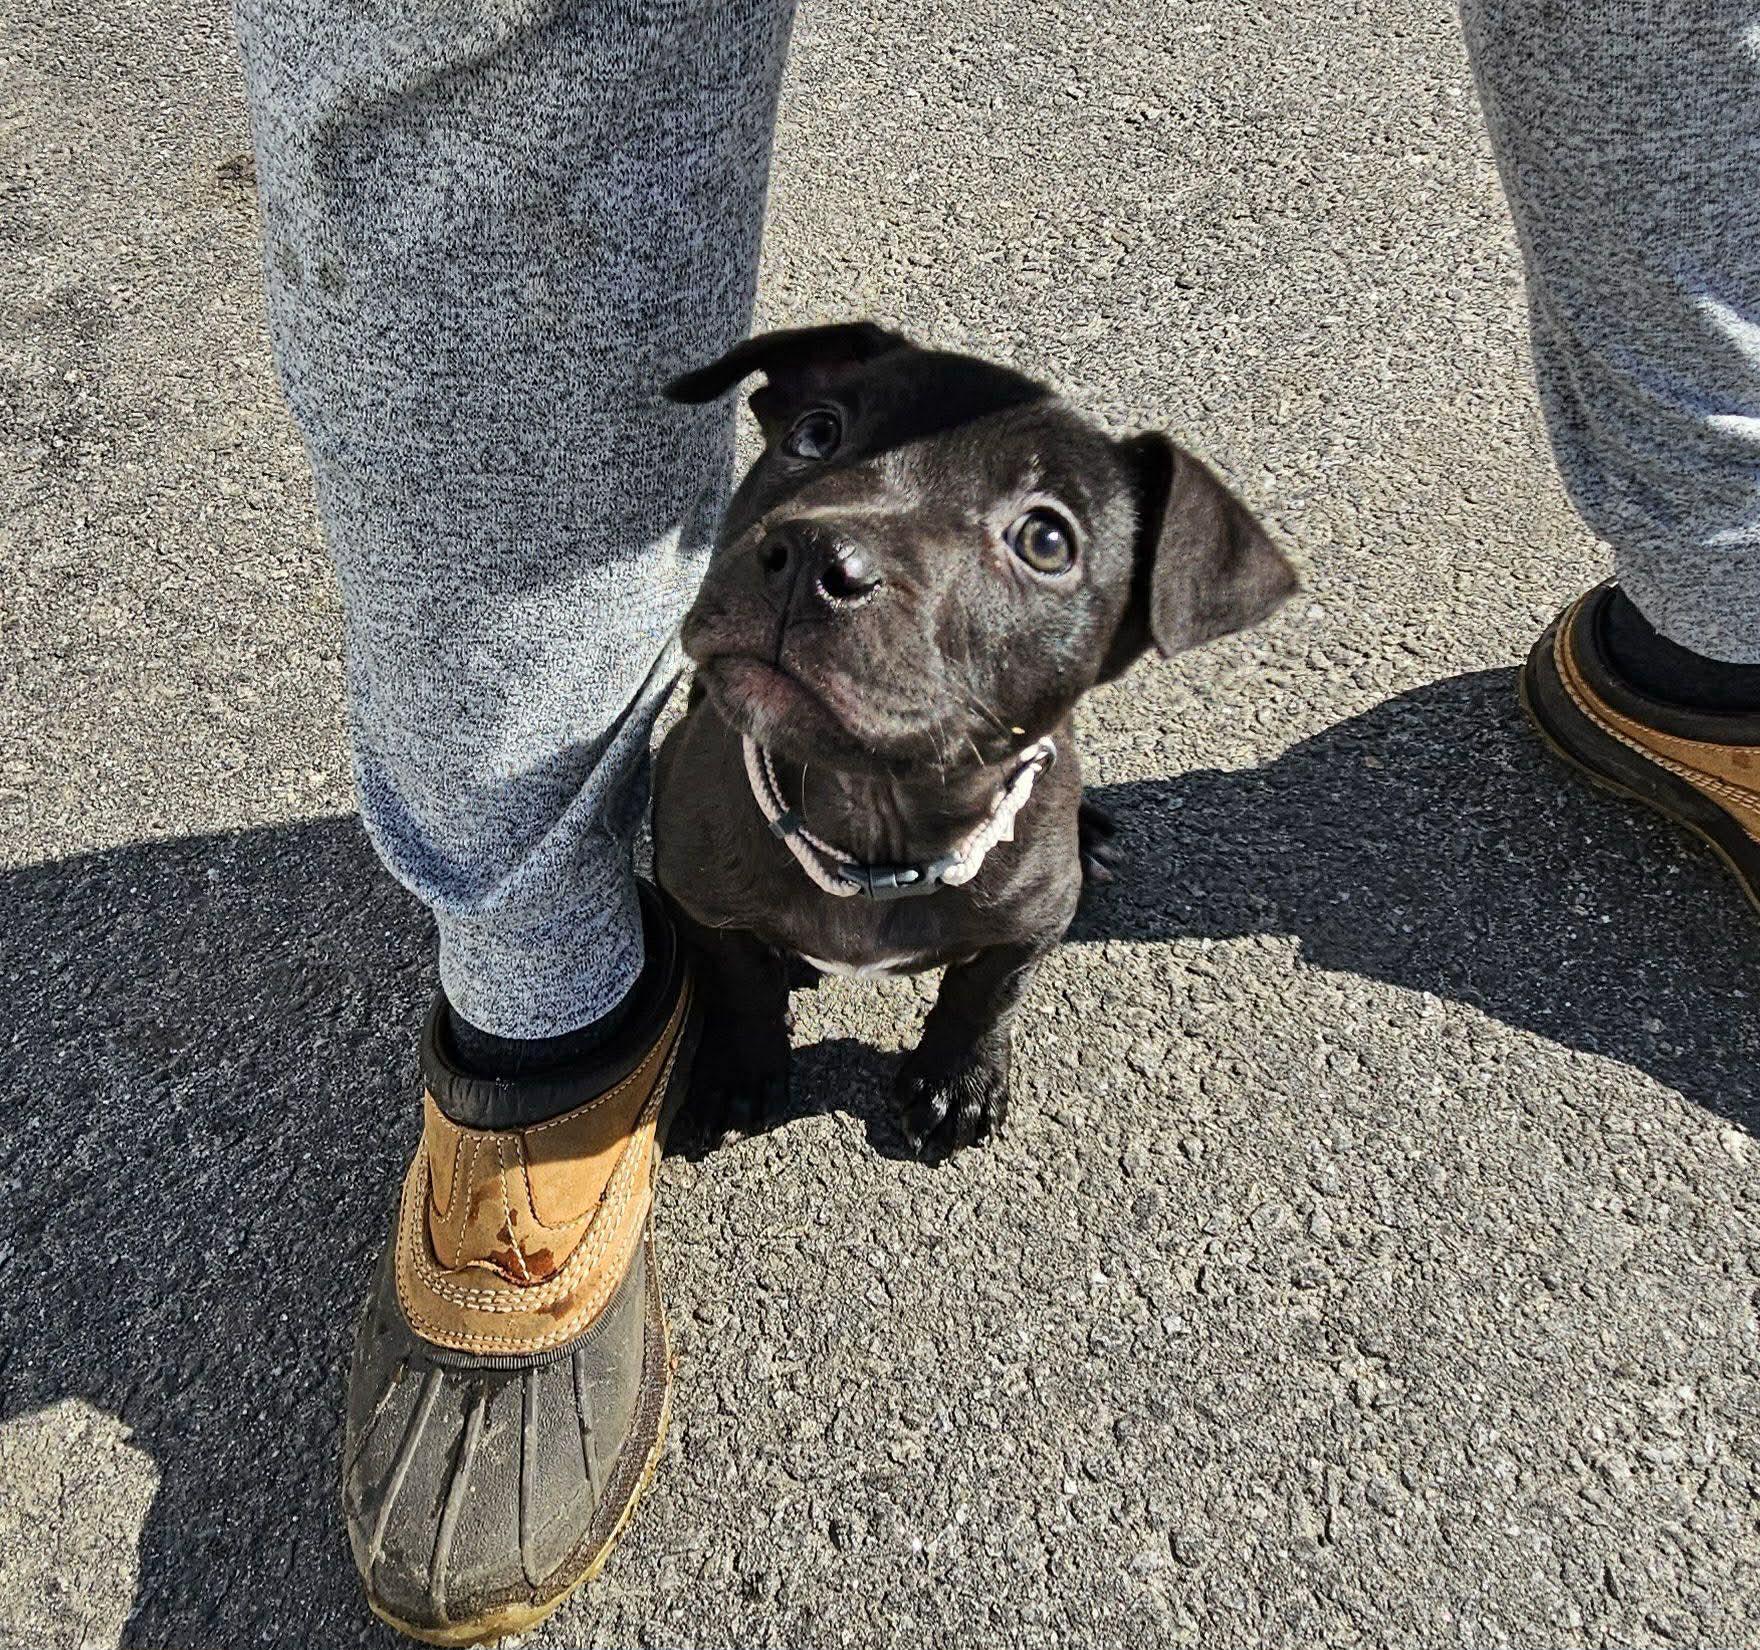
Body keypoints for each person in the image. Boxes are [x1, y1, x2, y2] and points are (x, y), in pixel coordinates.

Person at [230, 0, 1760, 1639]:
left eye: (1039, 538)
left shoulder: (1033, 845)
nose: (839, 529)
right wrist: (739, 1023)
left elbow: (1018, 920)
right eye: (819, 441)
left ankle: (1725, 635)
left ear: (1141, 621)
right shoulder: (706, 804)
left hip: (985, 873)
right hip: (752, 856)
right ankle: (561, 1024)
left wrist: (969, 1041)